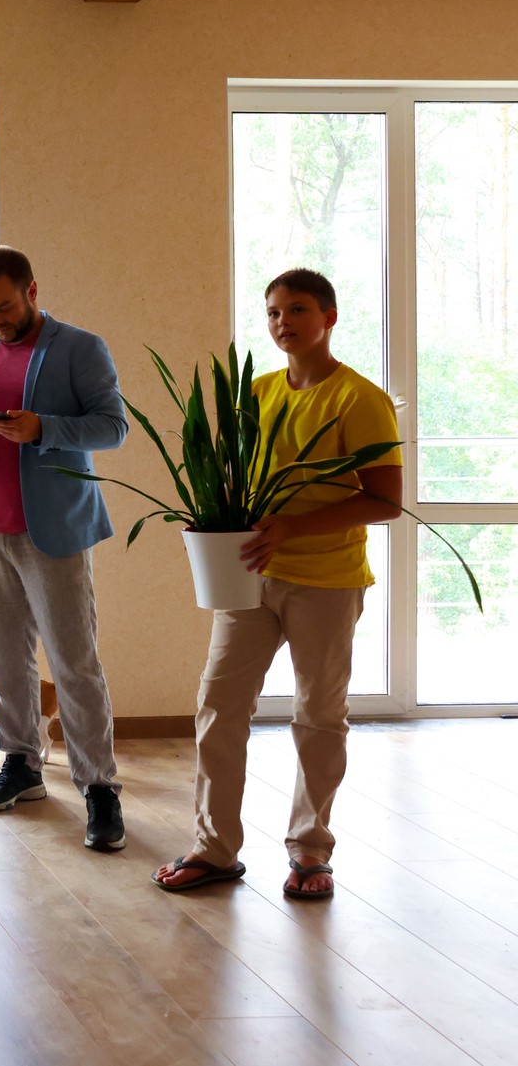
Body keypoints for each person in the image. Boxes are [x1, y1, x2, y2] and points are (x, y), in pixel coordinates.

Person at [153, 269, 401, 900]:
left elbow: (386, 501)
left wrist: (293, 527)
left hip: (327, 581)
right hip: (251, 578)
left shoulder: (359, 398)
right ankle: (215, 850)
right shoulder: (257, 392)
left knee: (319, 716)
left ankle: (311, 853)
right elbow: (237, 485)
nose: (282, 322)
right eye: (271, 312)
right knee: (219, 706)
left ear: (330, 318)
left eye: (296, 309)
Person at [0, 247, 129, 851]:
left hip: (54, 530)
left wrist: (43, 427)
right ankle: (21, 763)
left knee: (74, 662)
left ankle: (99, 788)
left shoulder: (81, 348)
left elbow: (112, 427)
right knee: (6, 661)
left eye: (5, 306)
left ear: (32, 290)